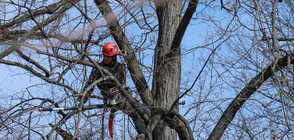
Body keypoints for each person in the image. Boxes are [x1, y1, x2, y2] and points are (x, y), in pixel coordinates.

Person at [80, 42, 146, 137]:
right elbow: (89, 85)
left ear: (114, 56)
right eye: (104, 55)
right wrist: (82, 100)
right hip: (109, 98)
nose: (105, 58)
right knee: (135, 112)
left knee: (145, 110)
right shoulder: (98, 68)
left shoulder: (120, 67)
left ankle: (149, 131)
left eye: (107, 56)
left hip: (121, 96)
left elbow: (121, 84)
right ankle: (144, 135)